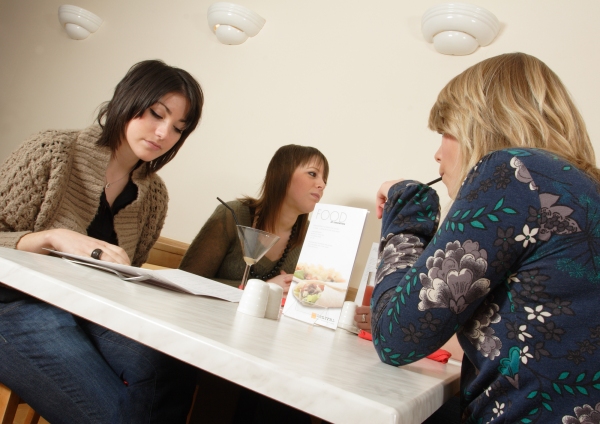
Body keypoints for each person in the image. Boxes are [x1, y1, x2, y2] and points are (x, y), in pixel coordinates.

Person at [371, 52, 600, 423]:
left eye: (445, 132)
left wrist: (406, 214)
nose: (437, 153)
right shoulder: (583, 189)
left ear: (480, 125)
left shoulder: (514, 171)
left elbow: (396, 337)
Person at [0, 59, 204, 423]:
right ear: (127, 100)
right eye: (156, 114)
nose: (163, 133)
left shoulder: (153, 195)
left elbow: (128, 273)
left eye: (178, 128)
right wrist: (52, 237)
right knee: (115, 414)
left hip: (89, 312)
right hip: (13, 306)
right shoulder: (52, 151)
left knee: (173, 368)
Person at [180, 144, 329, 293]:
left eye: (325, 180)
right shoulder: (232, 215)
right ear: (283, 174)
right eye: (312, 174)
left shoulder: (313, 237)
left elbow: (310, 300)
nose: (322, 185)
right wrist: (264, 287)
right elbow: (186, 280)